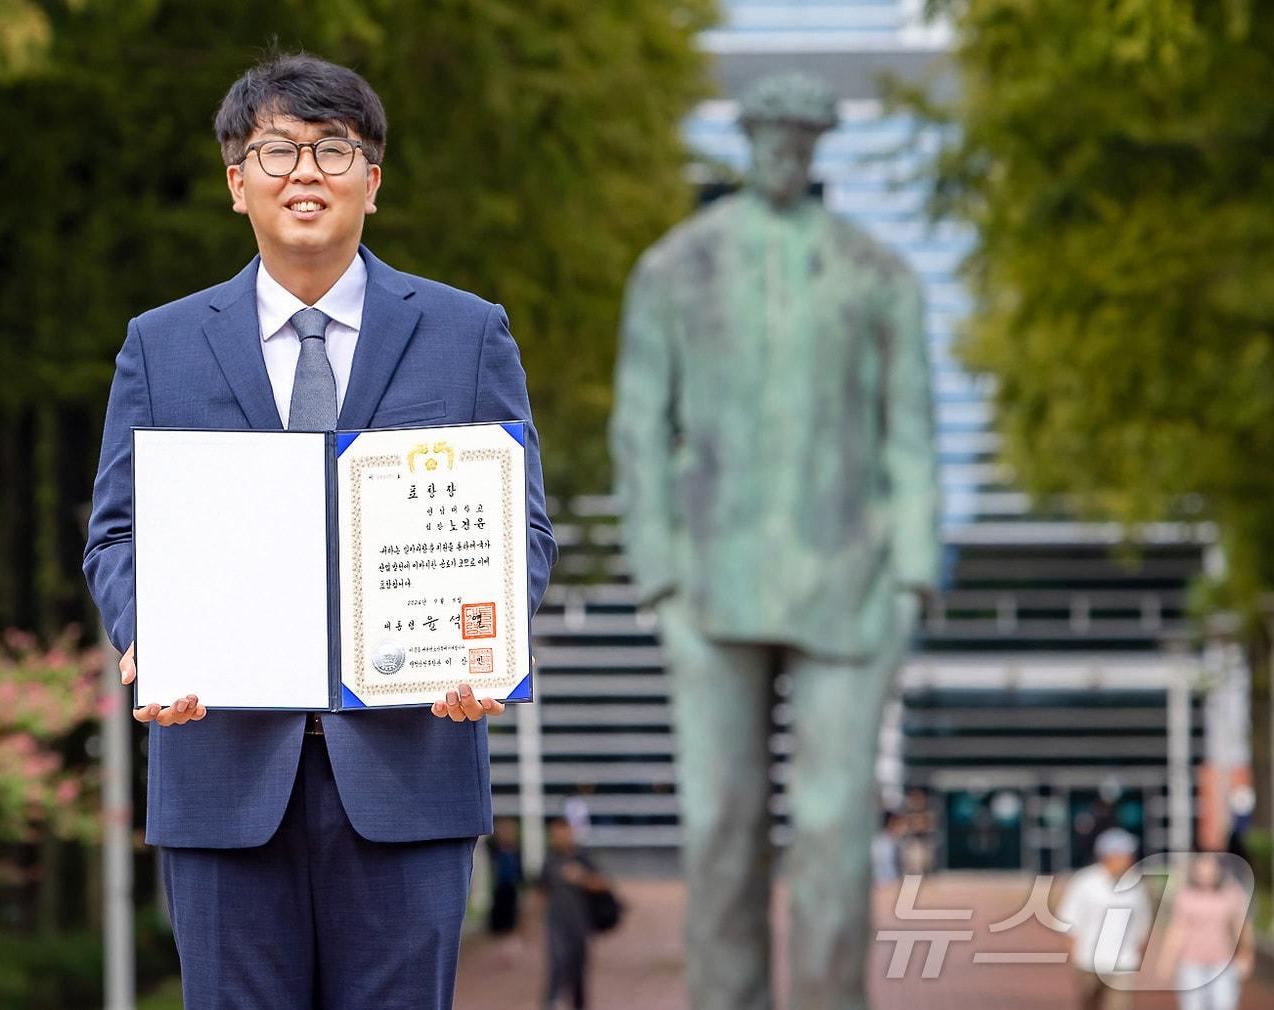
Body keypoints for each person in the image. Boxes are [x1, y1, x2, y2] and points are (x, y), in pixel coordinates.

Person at [82, 52, 558, 1010]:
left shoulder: (468, 335)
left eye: (333, 150)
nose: (306, 173)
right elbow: (117, 533)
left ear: (372, 183)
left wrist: (487, 635)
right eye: (277, 151)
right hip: (220, 768)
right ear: (236, 183)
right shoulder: (161, 345)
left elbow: (521, 527)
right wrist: (149, 638)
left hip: (412, 766)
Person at [609, 73, 939, 1010]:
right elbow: (639, 429)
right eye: (771, 134)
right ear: (746, 139)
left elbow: (910, 432)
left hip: (851, 581)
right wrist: (660, 578)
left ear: (821, 144)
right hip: (711, 584)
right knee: (720, 824)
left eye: (804, 136)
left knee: (835, 833)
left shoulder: (880, 275)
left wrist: (914, 572)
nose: (786, 152)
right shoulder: (675, 270)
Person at [1057, 828, 1153, 1010]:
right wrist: (1076, 956)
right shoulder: (1084, 882)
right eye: (1124, 854)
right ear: (1108, 855)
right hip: (1088, 961)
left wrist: (1137, 954)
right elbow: (1069, 921)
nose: (1130, 859)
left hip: (1123, 962)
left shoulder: (1136, 884)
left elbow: (1144, 922)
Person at [1155, 852, 1255, 1010]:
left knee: (1224, 1004)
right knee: (1193, 1005)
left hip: (1222, 960)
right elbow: (1177, 930)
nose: (1205, 874)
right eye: (1201, 869)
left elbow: (1241, 925)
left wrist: (1246, 953)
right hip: (1191, 961)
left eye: (1210, 868)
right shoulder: (1186, 896)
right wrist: (1166, 960)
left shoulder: (1231, 892)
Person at [539, 817, 609, 1010]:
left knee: (579, 970)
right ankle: (551, 1003)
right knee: (558, 963)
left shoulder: (582, 858)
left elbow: (602, 884)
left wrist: (580, 877)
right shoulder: (549, 860)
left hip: (580, 924)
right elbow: (541, 892)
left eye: (564, 832)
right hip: (556, 924)